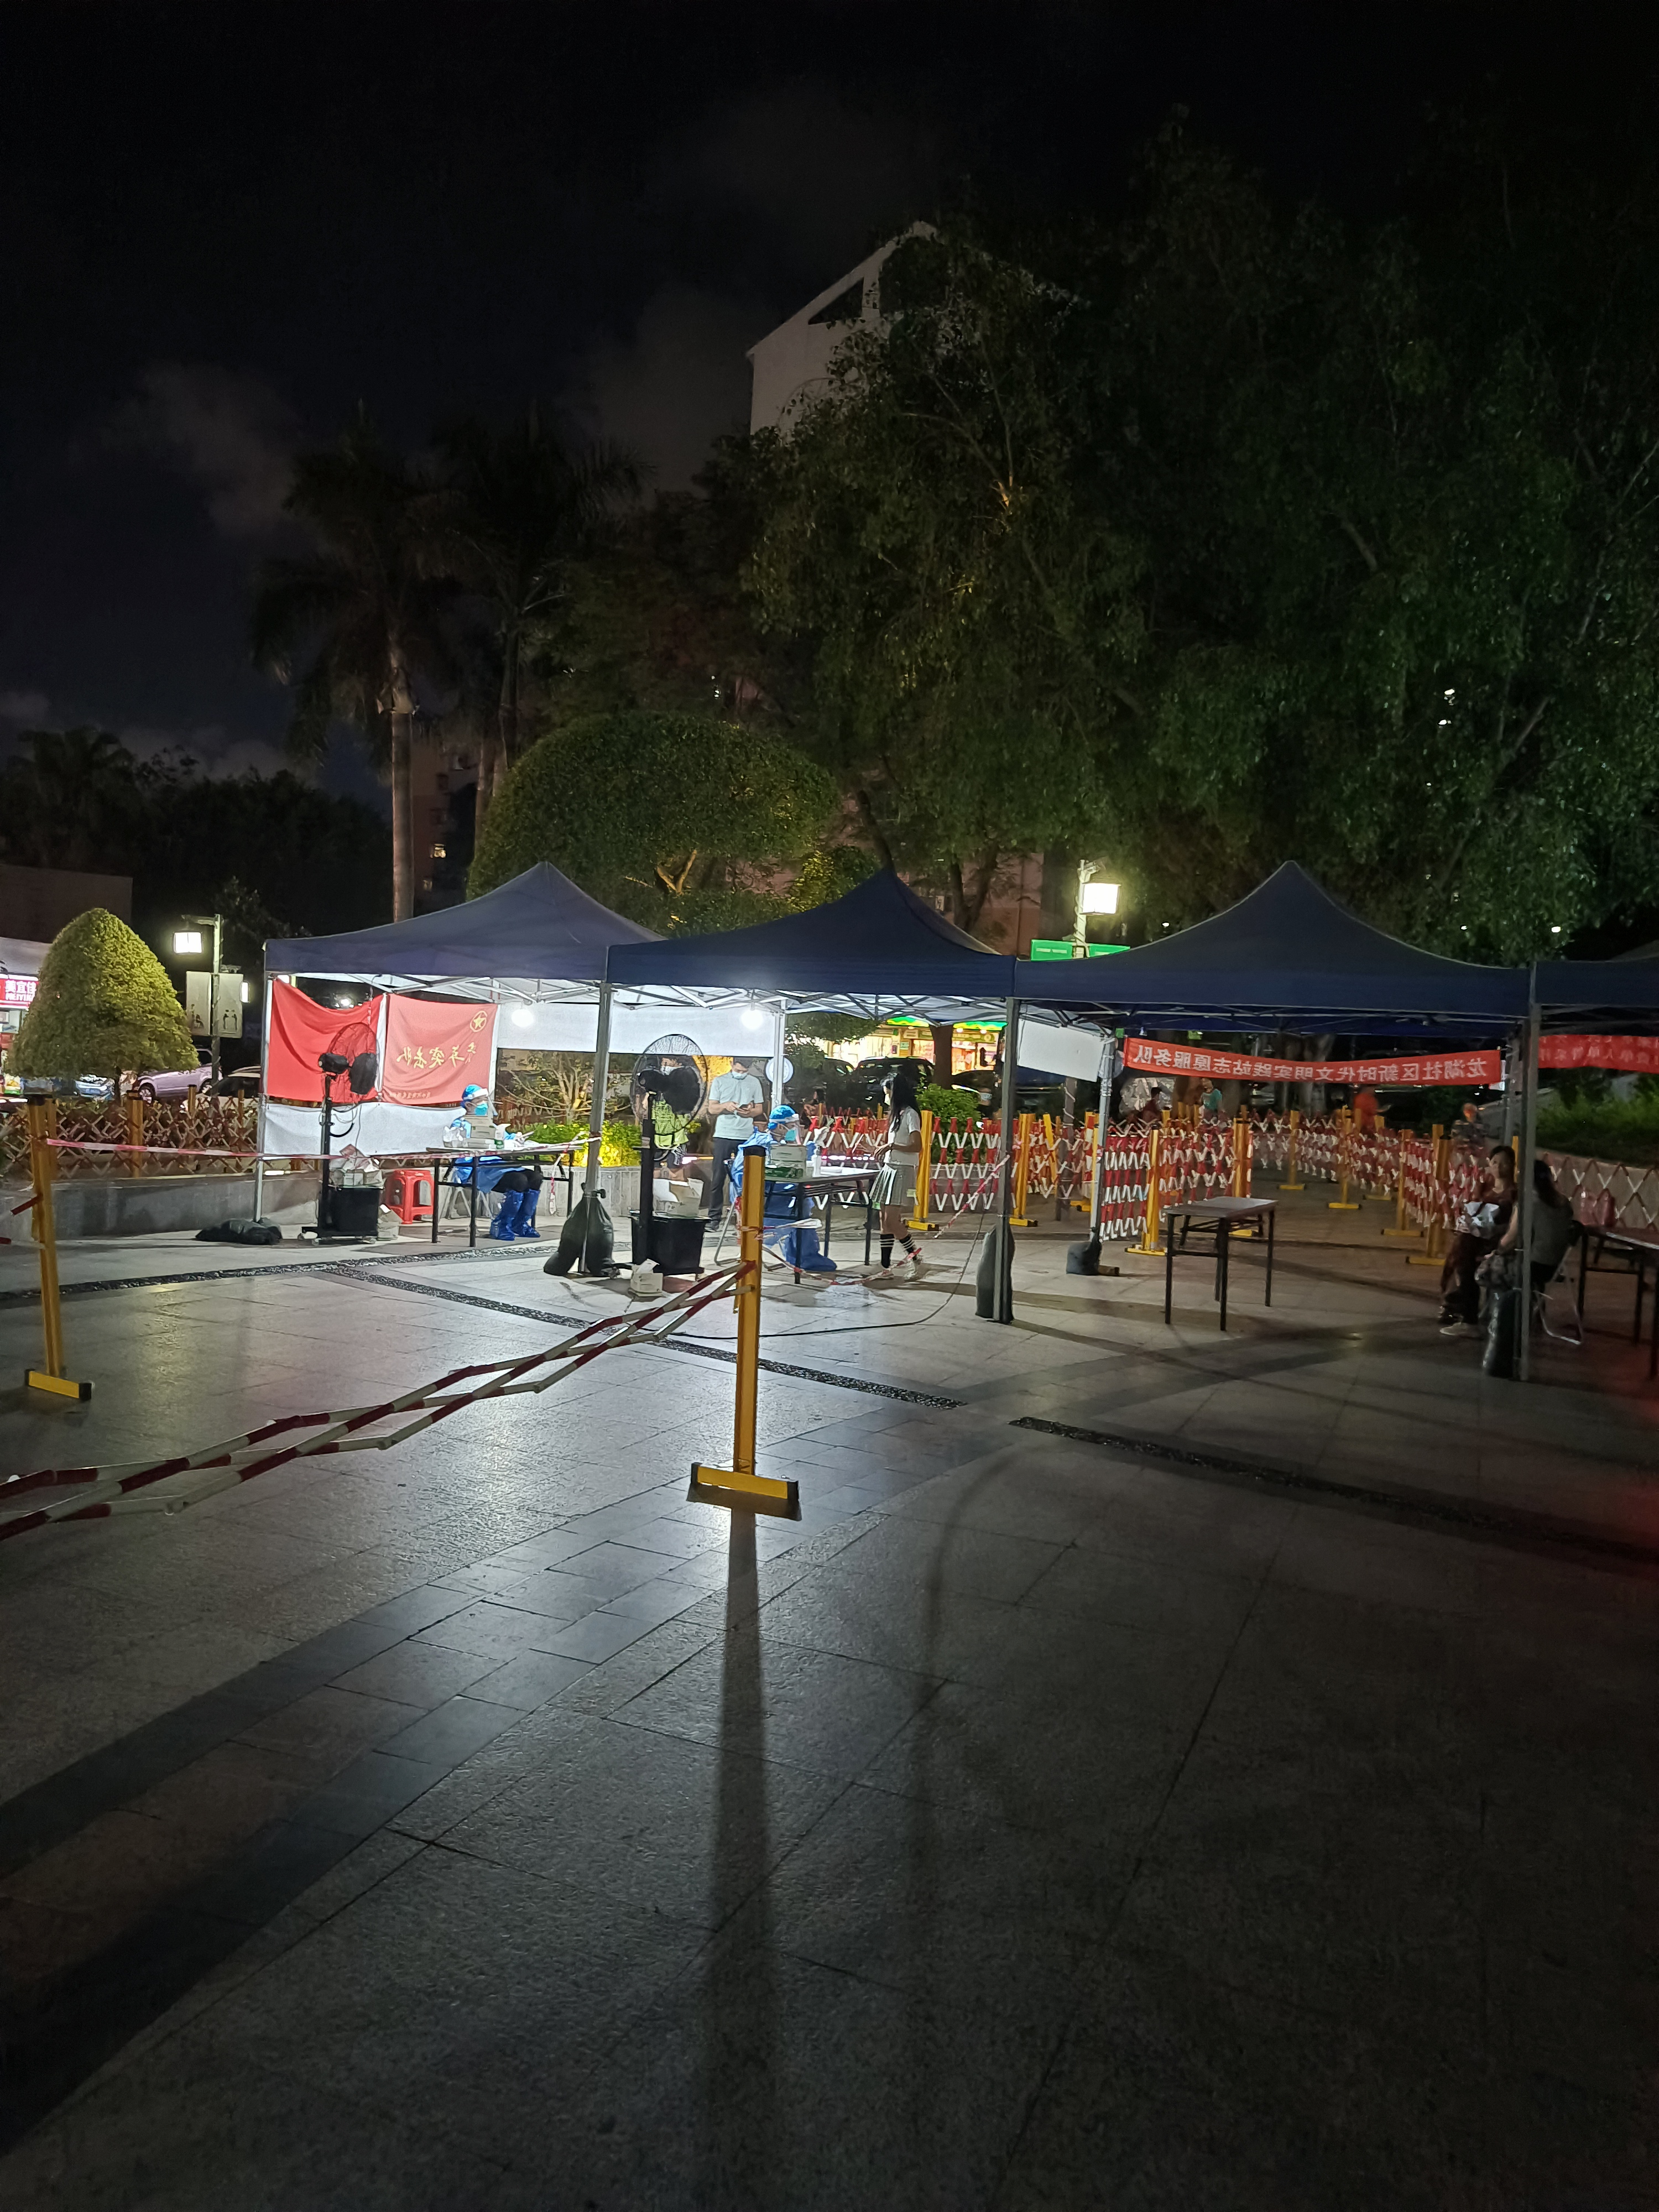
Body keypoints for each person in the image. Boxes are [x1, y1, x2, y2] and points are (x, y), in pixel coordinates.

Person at [1438, 1143, 1515, 1335]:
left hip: (1497, 1241)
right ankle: (1456, 1305)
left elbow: (1513, 1226)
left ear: (1513, 1165)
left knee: (1463, 1255)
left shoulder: (1514, 1194)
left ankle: (1460, 1309)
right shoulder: (1485, 1189)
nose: (1499, 1167)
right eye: (1495, 1162)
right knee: (1461, 1249)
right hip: (1477, 1237)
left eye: (1504, 1163)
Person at [872, 1062, 926, 1273]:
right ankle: (885, 1266)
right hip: (889, 1167)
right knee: (883, 1219)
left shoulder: (911, 1115)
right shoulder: (896, 1115)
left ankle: (916, 1258)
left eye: (888, 1093)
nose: (886, 1097)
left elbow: (917, 1146)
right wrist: (881, 1149)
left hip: (902, 1169)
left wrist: (891, 1146)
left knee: (892, 1220)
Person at [706, 1055, 766, 1224]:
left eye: (744, 1071)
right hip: (724, 1134)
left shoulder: (754, 1082)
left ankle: (747, 1215)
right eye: (738, 1070)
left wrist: (749, 1112)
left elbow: (759, 1108)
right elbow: (712, 1108)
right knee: (718, 1177)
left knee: (748, 1177)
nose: (740, 1073)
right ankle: (714, 1217)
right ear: (731, 1064)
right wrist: (725, 1106)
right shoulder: (720, 1081)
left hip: (746, 1135)